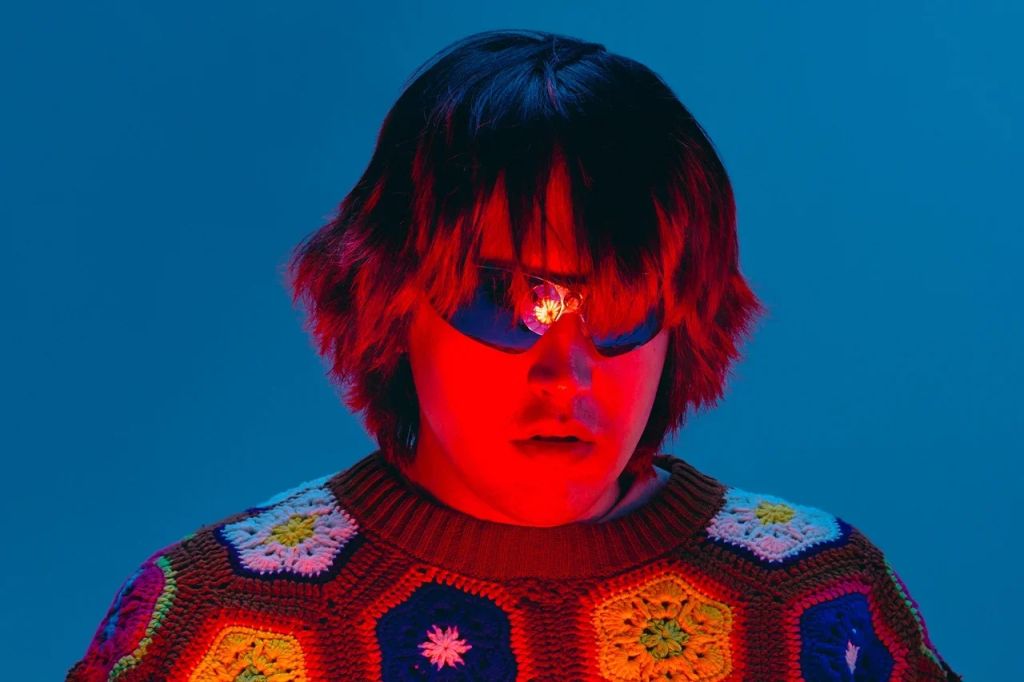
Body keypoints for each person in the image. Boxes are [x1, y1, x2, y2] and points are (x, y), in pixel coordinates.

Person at [67, 29, 960, 681]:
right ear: (388, 301)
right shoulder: (216, 622)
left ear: (684, 322)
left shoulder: (821, 604)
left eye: (619, 305)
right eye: (505, 301)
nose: (565, 374)